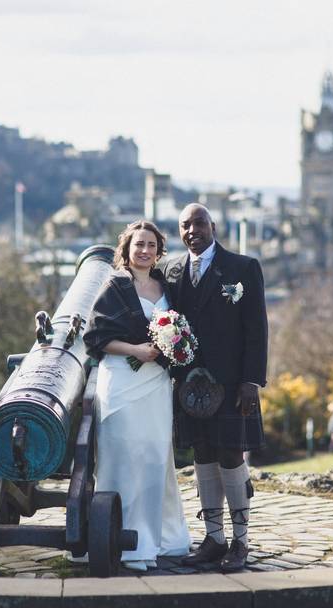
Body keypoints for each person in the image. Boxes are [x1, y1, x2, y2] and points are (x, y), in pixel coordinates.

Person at [160, 203, 268, 573]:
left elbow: (257, 328)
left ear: (213, 226)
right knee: (202, 455)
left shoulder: (242, 268)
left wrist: (251, 380)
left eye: (199, 223)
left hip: (231, 383)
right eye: (185, 226)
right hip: (188, 385)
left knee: (231, 456)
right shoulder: (171, 271)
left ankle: (240, 542)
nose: (193, 231)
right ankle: (213, 538)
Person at [84, 220, 191, 571]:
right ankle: (115, 536)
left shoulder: (166, 286)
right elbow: (95, 338)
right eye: (138, 245)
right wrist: (135, 348)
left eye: (150, 245)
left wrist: (176, 349)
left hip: (157, 384)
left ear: (159, 250)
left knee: (154, 457)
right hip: (121, 381)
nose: (144, 251)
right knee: (122, 457)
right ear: (126, 250)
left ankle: (154, 538)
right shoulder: (115, 285)